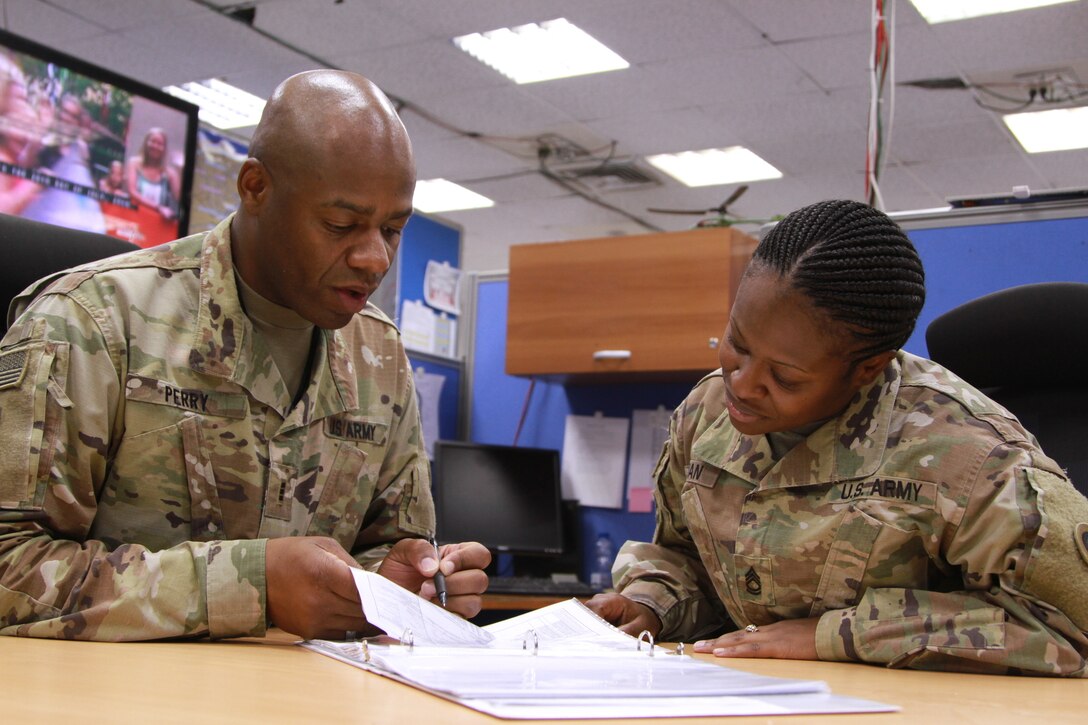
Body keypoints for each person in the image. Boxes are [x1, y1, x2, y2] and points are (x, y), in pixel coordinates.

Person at [0, 69, 490, 642]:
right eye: (341, 224)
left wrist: (403, 585)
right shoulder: (94, 321)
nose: (374, 258)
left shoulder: (377, 352)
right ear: (255, 187)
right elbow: (11, 566)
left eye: (393, 229)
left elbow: (384, 548)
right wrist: (252, 585)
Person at [586, 199, 1088, 676]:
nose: (741, 383)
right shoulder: (706, 412)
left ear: (866, 369)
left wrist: (838, 636)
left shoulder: (967, 454)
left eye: (784, 377)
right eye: (737, 343)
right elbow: (687, 557)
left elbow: (1071, 628)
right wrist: (650, 604)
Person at [124, 127, 180, 220]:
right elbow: (132, 192)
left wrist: (179, 169)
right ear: (146, 143)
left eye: (160, 144)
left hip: (159, 224)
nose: (155, 146)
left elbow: (179, 198)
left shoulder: (170, 173)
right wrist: (158, 207)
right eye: (153, 141)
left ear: (164, 148)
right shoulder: (134, 163)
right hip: (133, 218)